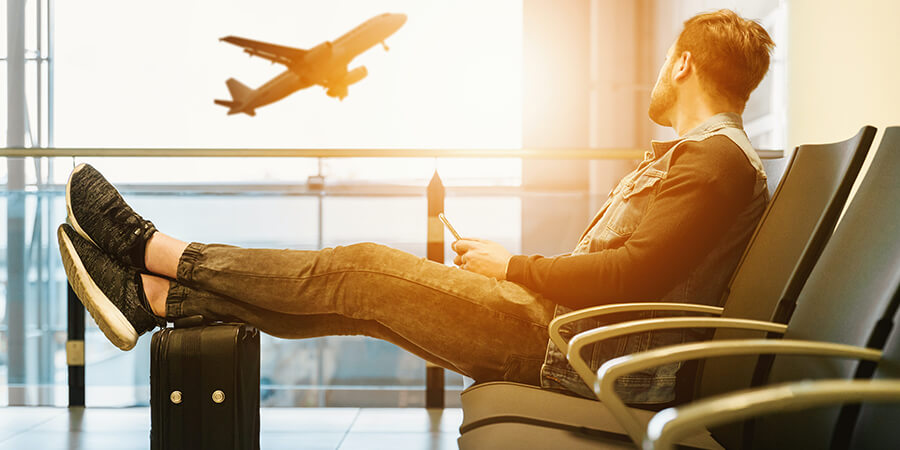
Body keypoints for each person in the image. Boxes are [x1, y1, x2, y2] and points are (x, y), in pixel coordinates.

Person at [58, 9, 774, 405]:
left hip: (570, 351)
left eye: (662, 63)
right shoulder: (707, 161)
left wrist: (516, 266)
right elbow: (634, 272)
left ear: (681, 63)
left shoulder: (713, 162)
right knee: (361, 303)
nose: (656, 75)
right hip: (569, 338)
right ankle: (156, 298)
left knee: (360, 269)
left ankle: (151, 250)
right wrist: (516, 270)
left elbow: (633, 277)